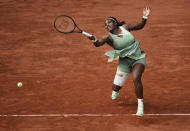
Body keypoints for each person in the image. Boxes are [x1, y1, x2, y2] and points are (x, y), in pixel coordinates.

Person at [88, 7, 151, 116]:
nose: (106, 25)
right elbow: (98, 44)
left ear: (115, 23)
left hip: (138, 57)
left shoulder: (125, 27)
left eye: (109, 23)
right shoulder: (108, 37)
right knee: (115, 87)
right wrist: (94, 39)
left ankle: (140, 105)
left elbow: (140, 25)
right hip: (124, 62)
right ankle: (116, 90)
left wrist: (144, 17)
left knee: (136, 78)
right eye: (105, 24)